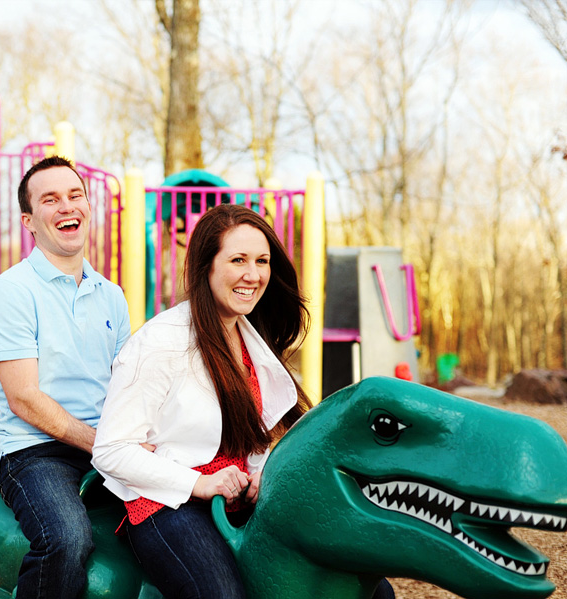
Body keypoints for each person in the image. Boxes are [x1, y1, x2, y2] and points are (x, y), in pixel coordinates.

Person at [92, 204, 396, 599]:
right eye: (238, 260)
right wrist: (199, 483)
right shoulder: (159, 343)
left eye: (262, 261)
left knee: (367, 589)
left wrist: (259, 474)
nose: (253, 275)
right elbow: (111, 450)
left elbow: (252, 438)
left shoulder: (250, 338)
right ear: (207, 267)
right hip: (166, 502)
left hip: (236, 498)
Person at [0, 155, 131, 599]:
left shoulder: (112, 295)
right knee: (66, 541)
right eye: (50, 199)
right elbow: (24, 398)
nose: (67, 206)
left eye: (75, 195)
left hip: (104, 444)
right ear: (29, 220)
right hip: (35, 452)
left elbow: (126, 385)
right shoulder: (11, 291)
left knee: (181, 520)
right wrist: (101, 443)